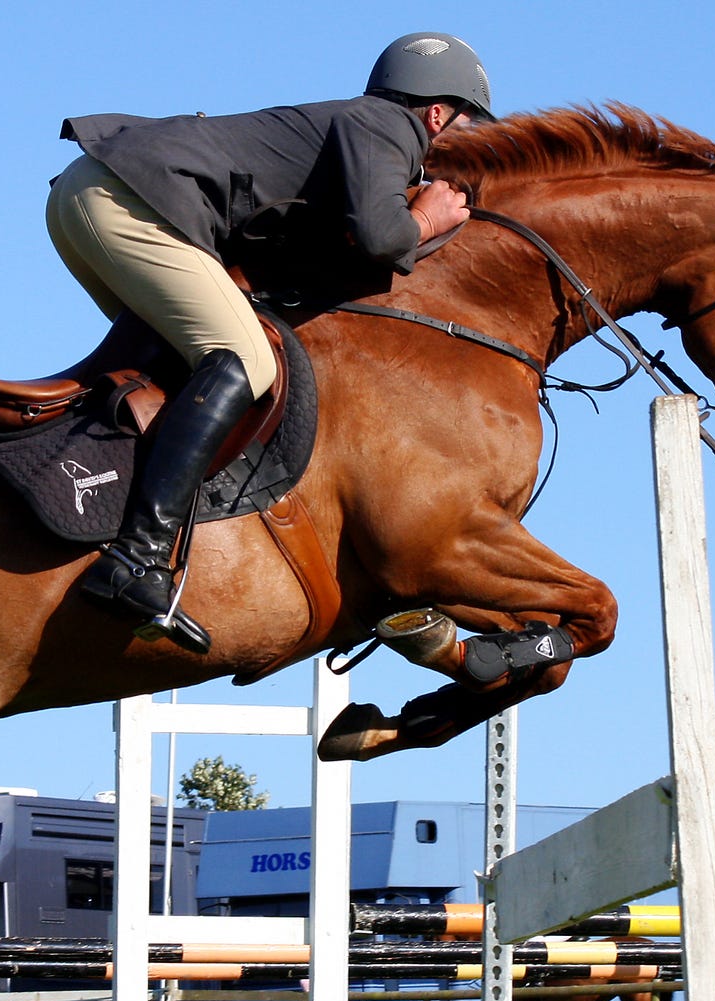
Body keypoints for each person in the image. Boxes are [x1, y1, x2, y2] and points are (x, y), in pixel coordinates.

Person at [47, 32, 492, 651]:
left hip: (95, 196)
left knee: (189, 371)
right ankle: (134, 560)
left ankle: (86, 497)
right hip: (127, 202)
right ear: (437, 112)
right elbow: (382, 234)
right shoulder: (387, 124)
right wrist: (427, 218)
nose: (464, 139)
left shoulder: (355, 129)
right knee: (244, 360)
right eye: (466, 122)